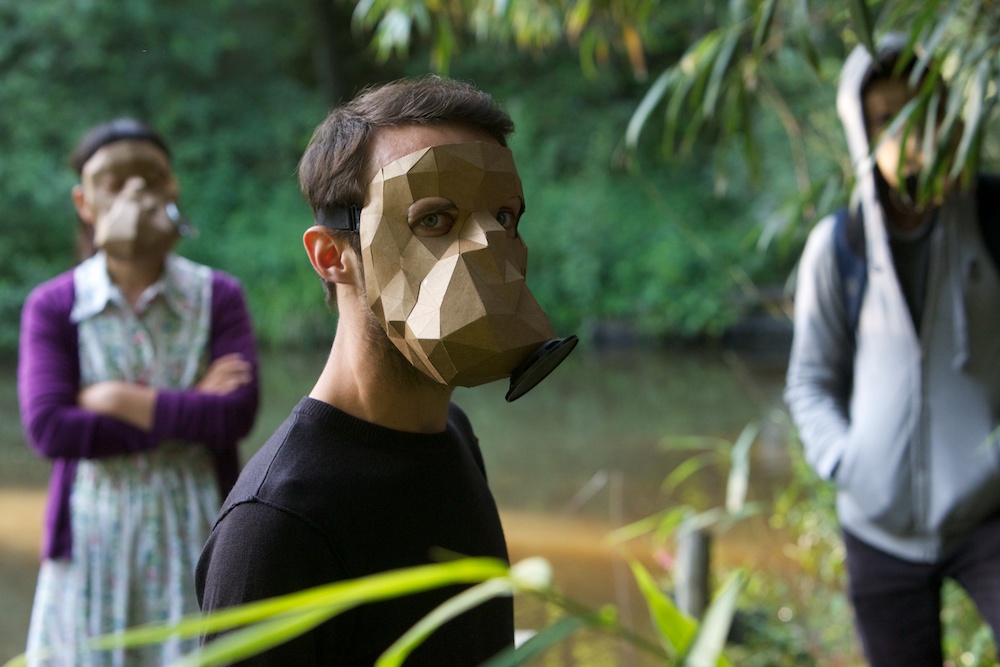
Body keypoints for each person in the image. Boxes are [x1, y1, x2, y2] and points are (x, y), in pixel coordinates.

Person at [196, 76, 576, 665]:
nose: (489, 251)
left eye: (503, 216)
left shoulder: (453, 435)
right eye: (434, 220)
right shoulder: (277, 524)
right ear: (332, 256)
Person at [785, 34, 1000, 666]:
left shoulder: (995, 218)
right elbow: (810, 382)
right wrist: (846, 461)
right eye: (887, 117)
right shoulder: (839, 246)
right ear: (861, 131)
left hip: (990, 511)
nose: (910, 132)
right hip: (877, 526)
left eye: (924, 111)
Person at [17, 118, 260, 666]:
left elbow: (235, 415)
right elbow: (51, 429)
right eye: (114, 181)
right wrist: (190, 401)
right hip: (91, 540)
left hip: (199, 530)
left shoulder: (218, 296)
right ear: (84, 201)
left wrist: (114, 398)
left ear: (172, 188)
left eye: (149, 178)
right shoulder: (54, 306)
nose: (134, 193)